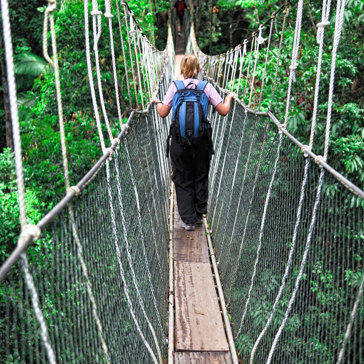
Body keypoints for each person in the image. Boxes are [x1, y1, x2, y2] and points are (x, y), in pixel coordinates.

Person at [153, 54, 235, 231]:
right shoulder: (206, 87)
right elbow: (223, 110)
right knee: (200, 174)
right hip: (201, 140)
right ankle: (199, 214)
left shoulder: (175, 87)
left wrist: (157, 102)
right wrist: (228, 98)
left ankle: (188, 220)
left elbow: (162, 112)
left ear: (182, 70)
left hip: (179, 141)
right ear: (199, 70)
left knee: (182, 177)